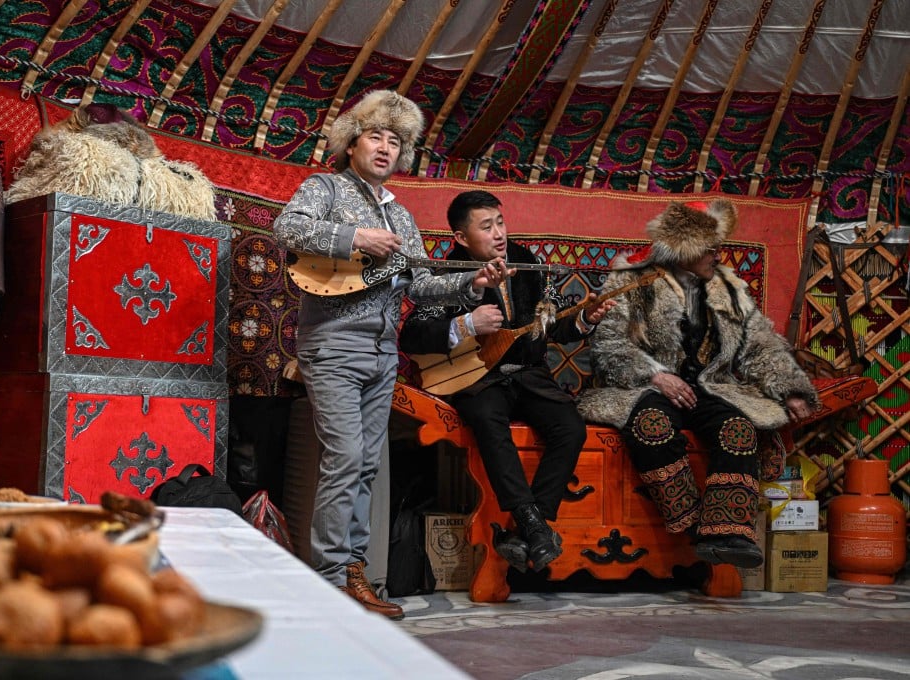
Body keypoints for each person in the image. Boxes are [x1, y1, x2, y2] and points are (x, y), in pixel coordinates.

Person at [273, 91, 509, 620]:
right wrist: (354, 235)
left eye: (396, 141)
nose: (386, 147)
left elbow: (421, 285)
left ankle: (354, 571)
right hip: (333, 344)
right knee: (346, 458)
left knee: (368, 465)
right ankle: (331, 581)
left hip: (382, 353)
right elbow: (286, 228)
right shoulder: (326, 188)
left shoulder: (401, 216)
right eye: (376, 136)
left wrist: (473, 284)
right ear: (351, 141)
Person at [578, 199, 818, 568]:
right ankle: (695, 527)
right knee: (651, 426)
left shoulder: (727, 287)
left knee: (739, 429)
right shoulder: (633, 282)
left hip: (709, 388)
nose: (717, 253)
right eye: (709, 247)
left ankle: (729, 533)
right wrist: (654, 374)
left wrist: (792, 389)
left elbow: (759, 343)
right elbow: (609, 346)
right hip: (644, 388)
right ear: (683, 248)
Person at [400, 190, 614, 573]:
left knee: (570, 427)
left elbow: (552, 327)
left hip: (529, 375)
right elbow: (413, 335)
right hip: (479, 379)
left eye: (500, 222)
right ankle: (531, 523)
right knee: (487, 420)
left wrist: (586, 319)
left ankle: (529, 526)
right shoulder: (445, 276)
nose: (498, 233)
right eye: (486, 226)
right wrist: (465, 324)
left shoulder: (526, 262)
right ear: (462, 238)